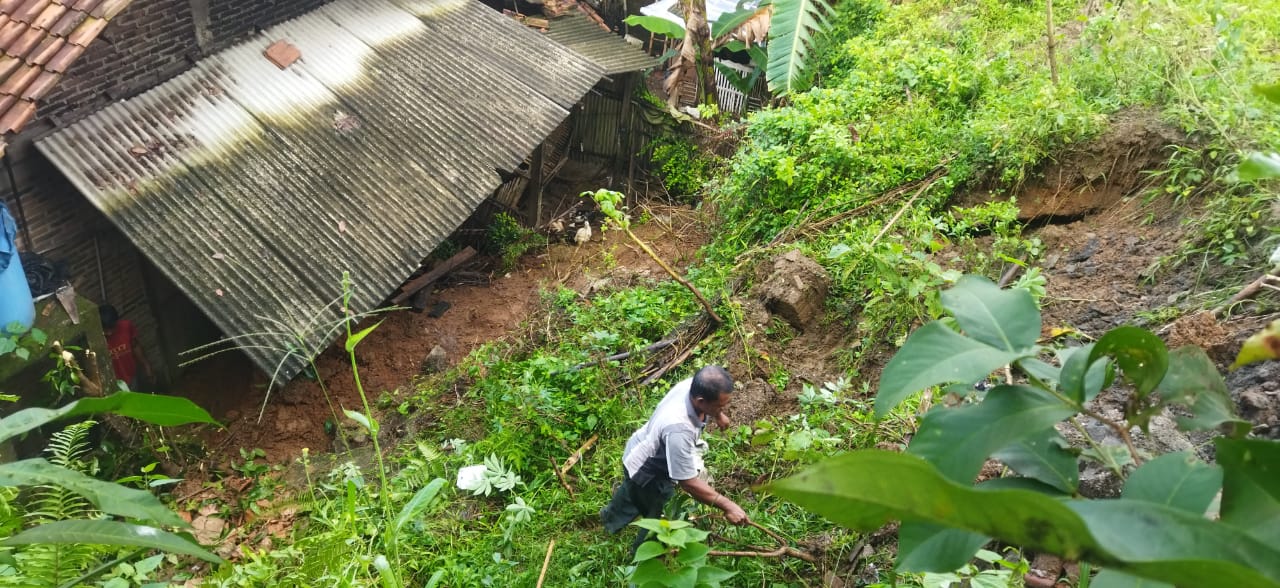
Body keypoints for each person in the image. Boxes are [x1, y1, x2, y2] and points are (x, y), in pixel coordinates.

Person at [601, 365, 749, 552]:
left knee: (631, 492)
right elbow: (687, 482)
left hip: (639, 447)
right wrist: (728, 505)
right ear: (701, 401)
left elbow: (709, 404)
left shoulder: (693, 386)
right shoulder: (678, 429)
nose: (723, 408)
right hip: (646, 472)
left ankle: (609, 520)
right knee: (661, 519)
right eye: (720, 406)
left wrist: (718, 414)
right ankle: (642, 560)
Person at [99, 305, 152, 390]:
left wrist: (146, 365)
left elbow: (135, 346)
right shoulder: (97, 339)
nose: (109, 333)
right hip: (115, 385)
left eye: (112, 328)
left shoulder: (126, 327)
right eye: (105, 330)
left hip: (132, 377)